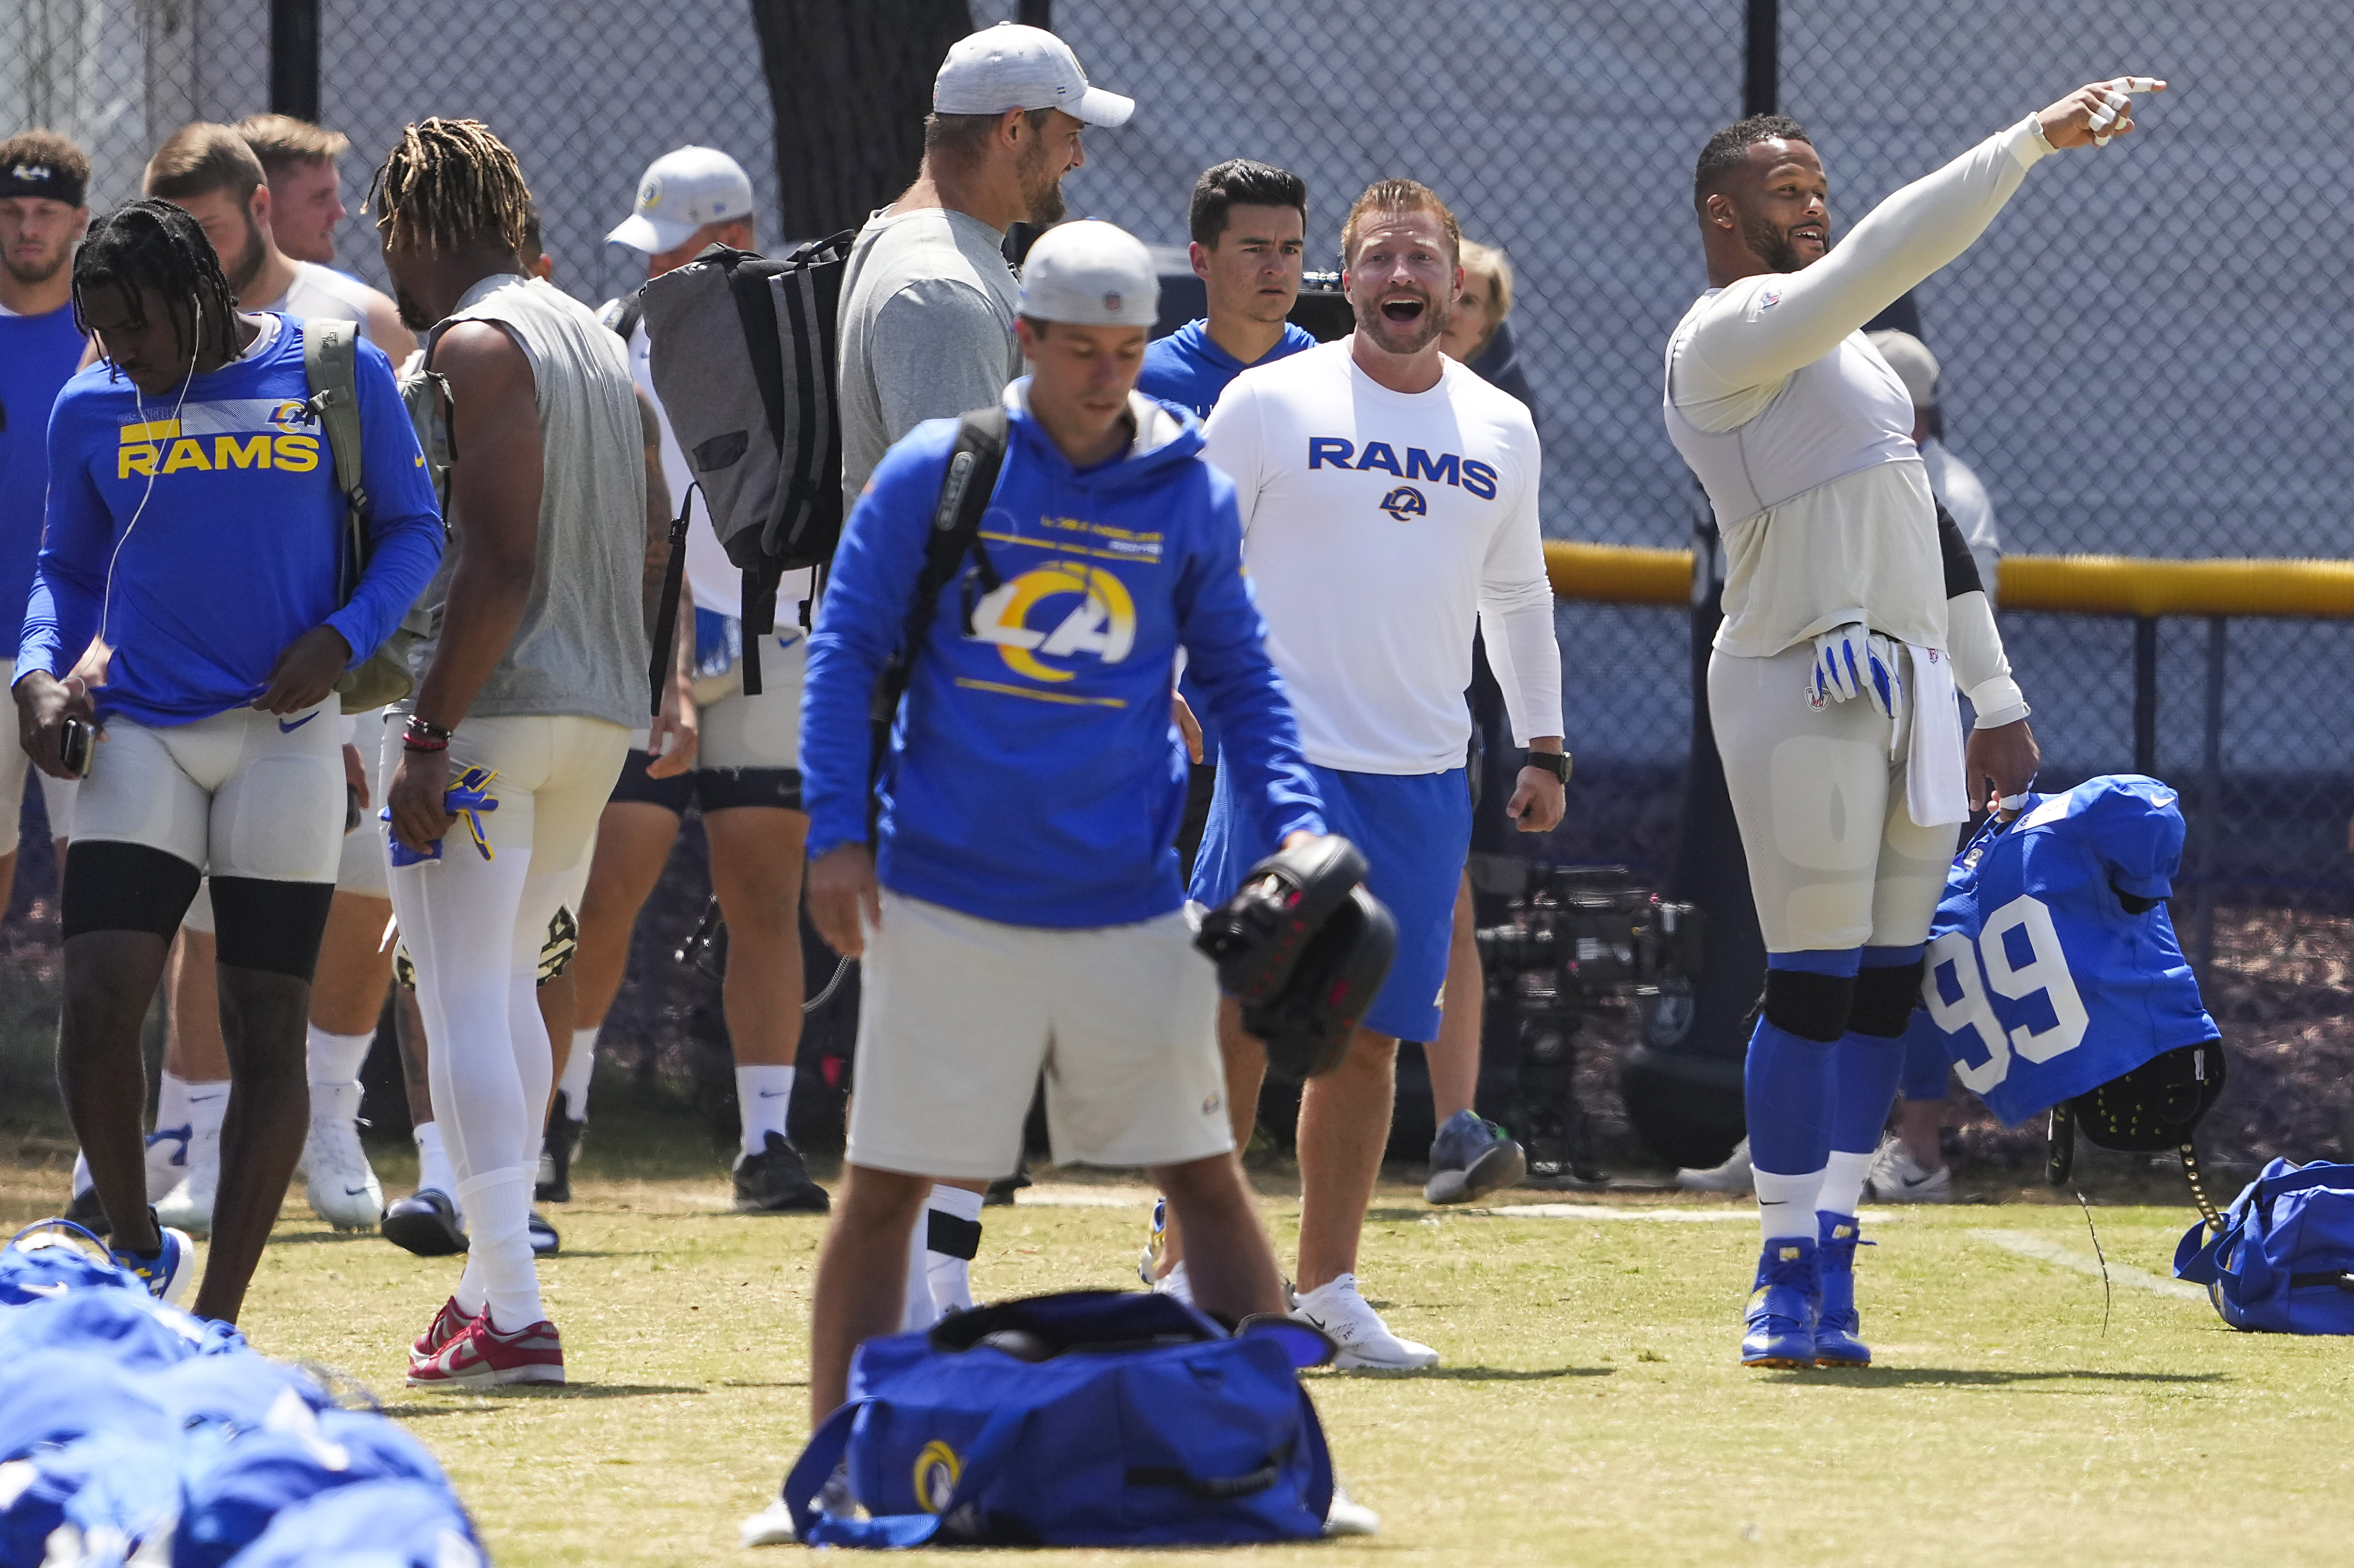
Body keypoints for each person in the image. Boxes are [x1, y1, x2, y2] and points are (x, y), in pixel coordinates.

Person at [1662, 78, 2159, 1367]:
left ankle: (1831, 1239)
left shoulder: (1865, 366)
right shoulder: (1722, 334)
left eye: (1818, 186)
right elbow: (1889, 249)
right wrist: (2023, 142)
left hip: (1909, 687)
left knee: (1887, 988)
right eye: (1786, 189)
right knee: (1814, 980)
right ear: (1721, 215)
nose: (1812, 205)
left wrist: (1991, 696)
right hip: (1798, 673)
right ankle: (1776, 1263)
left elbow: (1937, 543)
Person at [798, 218, 1311, 1427]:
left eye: (1125, 351)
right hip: (943, 889)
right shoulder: (941, 470)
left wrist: (1289, 823)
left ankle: (1279, 1459)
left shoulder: (1183, 483)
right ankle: (821, 1466)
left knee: (1202, 1176)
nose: (1103, 377)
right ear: (1022, 337)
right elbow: (844, 653)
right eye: (1077, 349)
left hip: (1123, 898)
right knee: (881, 1187)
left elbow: (1238, 675)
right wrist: (835, 834)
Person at [15, 198, 441, 1319]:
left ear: (201, 295)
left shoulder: (330, 371)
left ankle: (219, 1316)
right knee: (102, 1002)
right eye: (101, 329)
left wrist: (343, 638)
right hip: (142, 731)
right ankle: (140, 1241)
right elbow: (66, 565)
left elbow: (416, 531)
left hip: (286, 738)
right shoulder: (91, 401)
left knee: (266, 1024)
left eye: (138, 326)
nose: (124, 352)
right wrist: (37, 674)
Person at [1177, 178, 1567, 1369]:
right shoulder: (1264, 403)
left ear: (1456, 285)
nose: (1402, 279)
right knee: (1239, 1016)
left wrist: (1542, 742)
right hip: (1275, 760)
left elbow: (1516, 596)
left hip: (1419, 775)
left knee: (1366, 1043)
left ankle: (1328, 1293)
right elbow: (1184, 554)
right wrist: (1168, 694)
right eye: (1378, 260)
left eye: (1422, 260)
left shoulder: (1499, 427)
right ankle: (1191, 1269)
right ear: (1341, 281)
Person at [834, 18, 1133, 1325]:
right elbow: (960, 525)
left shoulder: (909, 254)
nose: (1073, 160)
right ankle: (923, 1291)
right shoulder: (945, 287)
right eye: (1064, 134)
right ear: (1013, 131)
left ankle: (930, 1282)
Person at [373, 118, 649, 1388]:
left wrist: (424, 731)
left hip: (488, 710)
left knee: (458, 993)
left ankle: (515, 1314)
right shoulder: (587, 331)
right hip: (594, 717)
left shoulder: (475, 343)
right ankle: (490, 1285)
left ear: (418, 225)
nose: (389, 264)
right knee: (514, 985)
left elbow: (495, 561)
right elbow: (649, 526)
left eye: (391, 235)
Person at [132, 122, 417, 1233]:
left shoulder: (359, 321)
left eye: (205, 231)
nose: (192, 257)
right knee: (210, 906)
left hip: (350, 657)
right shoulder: (139, 332)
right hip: (210, 678)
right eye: (174, 236)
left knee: (362, 887)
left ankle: (333, 1118)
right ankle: (204, 1139)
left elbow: (406, 515)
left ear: (258, 206)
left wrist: (356, 653)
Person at [562, 144, 830, 1217]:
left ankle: (767, 1139)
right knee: (607, 882)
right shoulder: (610, 334)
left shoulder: (799, 321)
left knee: (764, 887)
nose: (648, 263)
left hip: (768, 628)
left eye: (667, 244)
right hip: (645, 636)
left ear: (724, 238)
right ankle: (555, 1120)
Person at [1863, 327, 2000, 1205]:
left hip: (1918, 750)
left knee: (1907, 946)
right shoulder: (1860, 481)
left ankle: (1918, 1149)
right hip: (1845, 737)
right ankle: (1793, 1136)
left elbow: (1956, 634)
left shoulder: (1950, 495)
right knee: (1817, 938)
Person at [0, 132, 91, 911]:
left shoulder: (114, 344)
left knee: (100, 891)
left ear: (80, 223)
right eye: (12, 210)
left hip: (82, 654)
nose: (28, 227)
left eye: (46, 212)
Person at [234, 114, 353, 269]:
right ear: (259, 207)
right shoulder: (201, 290)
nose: (340, 213)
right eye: (320, 198)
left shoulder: (348, 293)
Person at [1437, 239, 1535, 413]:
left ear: (1485, 330)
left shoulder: (1504, 418)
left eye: (1468, 302)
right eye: (1445, 292)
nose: (1452, 312)